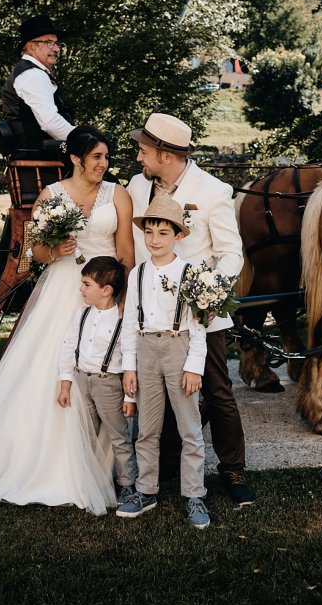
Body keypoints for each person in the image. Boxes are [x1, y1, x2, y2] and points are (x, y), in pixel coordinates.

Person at [0, 126, 134, 515]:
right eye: (96, 158)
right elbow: (35, 253)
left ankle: (108, 466)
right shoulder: (51, 196)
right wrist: (56, 247)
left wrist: (116, 300)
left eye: (107, 158)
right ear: (75, 158)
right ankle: (44, 463)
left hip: (104, 293)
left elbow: (126, 253)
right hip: (62, 289)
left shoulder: (118, 195)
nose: (104, 165)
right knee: (47, 368)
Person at [127, 113, 255, 505]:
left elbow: (231, 253)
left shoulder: (214, 190)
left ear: (166, 155)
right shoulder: (136, 188)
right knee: (160, 393)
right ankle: (167, 466)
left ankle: (232, 469)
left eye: (144, 151)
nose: (138, 159)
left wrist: (210, 292)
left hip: (201, 315)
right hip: (152, 315)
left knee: (216, 390)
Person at [117, 196, 210, 529]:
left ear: (178, 236)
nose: (154, 240)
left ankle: (195, 495)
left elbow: (199, 325)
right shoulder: (137, 274)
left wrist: (194, 366)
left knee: (189, 429)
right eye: (150, 232)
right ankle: (146, 490)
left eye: (162, 233)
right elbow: (129, 322)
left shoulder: (190, 274)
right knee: (146, 429)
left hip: (178, 348)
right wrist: (129, 366)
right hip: (144, 350)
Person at [57, 256, 137, 505]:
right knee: (85, 433)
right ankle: (87, 479)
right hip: (82, 382)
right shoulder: (82, 314)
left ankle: (127, 484)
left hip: (108, 384)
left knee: (119, 436)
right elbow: (69, 346)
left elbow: (129, 360)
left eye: (86, 284)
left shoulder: (122, 320)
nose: (81, 289)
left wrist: (129, 397)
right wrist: (66, 382)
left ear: (106, 291)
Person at [1, 14, 75, 150]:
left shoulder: (31, 72)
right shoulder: (31, 74)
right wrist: (85, 140)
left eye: (57, 43)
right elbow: (50, 123)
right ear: (31, 48)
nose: (56, 48)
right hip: (41, 159)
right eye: (49, 42)